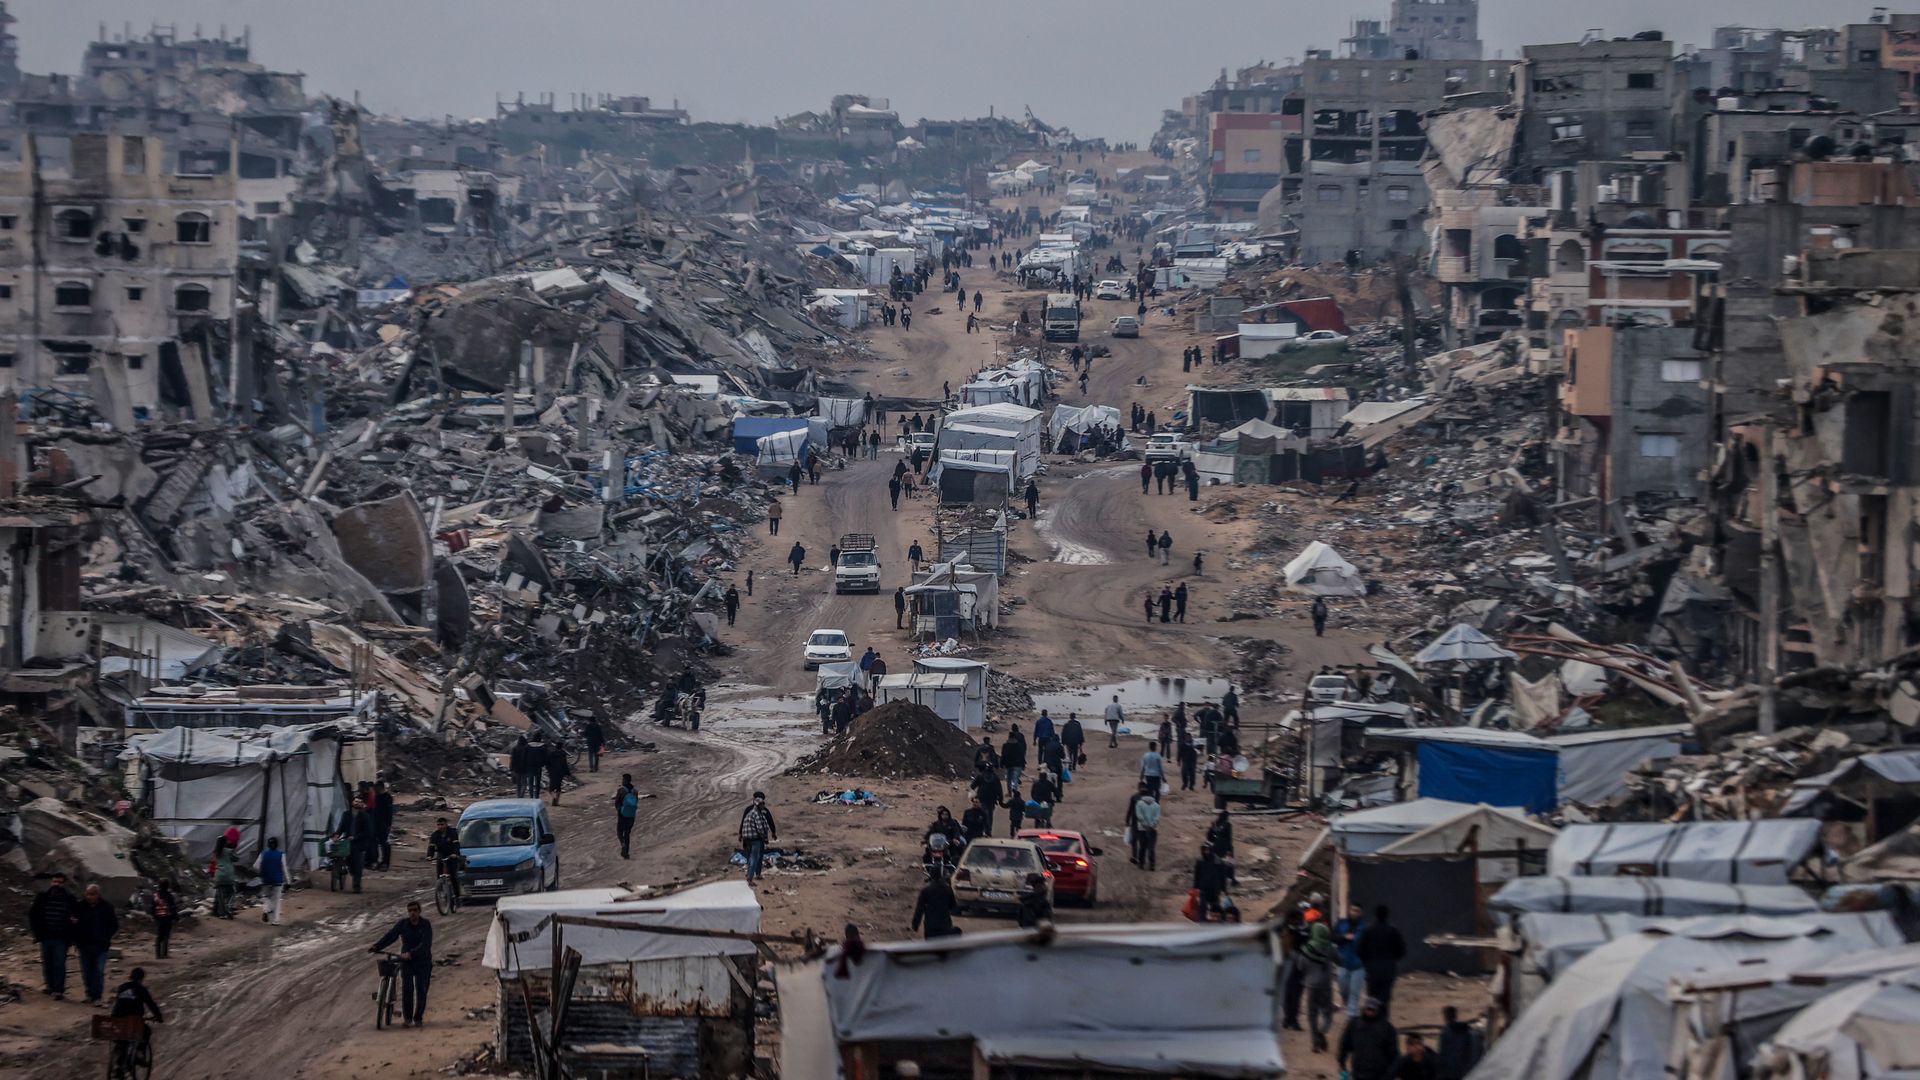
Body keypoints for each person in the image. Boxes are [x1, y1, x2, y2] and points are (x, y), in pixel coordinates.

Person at [370, 901, 435, 1027]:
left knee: (421, 990)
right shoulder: (403, 924)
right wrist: (377, 946)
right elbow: (391, 936)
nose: (412, 913)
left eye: (415, 910)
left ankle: (418, 1018)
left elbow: (426, 945)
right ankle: (408, 1019)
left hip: (423, 961)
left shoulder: (425, 924)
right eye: (410, 910)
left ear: (419, 911)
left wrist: (411, 953)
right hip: (406, 961)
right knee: (407, 989)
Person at [29, 871, 76, 998]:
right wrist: (37, 932)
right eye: (55, 881)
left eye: (60, 882)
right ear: (51, 882)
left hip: (61, 937)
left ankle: (59, 990)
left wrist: (72, 931)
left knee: (59, 964)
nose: (57, 884)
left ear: (64, 884)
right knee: (48, 963)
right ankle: (50, 987)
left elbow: (77, 915)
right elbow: (33, 914)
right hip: (46, 936)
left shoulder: (69, 898)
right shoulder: (43, 896)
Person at [1357, 905, 1408, 1016]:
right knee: (1385, 998)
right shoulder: (1393, 931)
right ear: (1387, 916)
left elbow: (1360, 950)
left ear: (1375, 915)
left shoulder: (1368, 931)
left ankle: (1372, 1021)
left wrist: (1367, 962)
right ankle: (1383, 1023)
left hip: (1372, 969)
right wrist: (1392, 960)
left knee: (1372, 997)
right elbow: (1402, 950)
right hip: (1388, 969)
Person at [73, 883, 117, 1005]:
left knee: (98, 971)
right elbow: (73, 923)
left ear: (98, 895)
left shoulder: (107, 907)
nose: (90, 897)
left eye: (92, 894)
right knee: (87, 971)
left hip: (100, 946)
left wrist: (105, 936)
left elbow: (114, 925)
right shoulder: (80, 906)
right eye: (88, 894)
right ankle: (89, 994)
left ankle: (97, 996)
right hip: (84, 945)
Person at [1338, 999, 1401, 1080]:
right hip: (1358, 1073)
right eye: (1368, 1009)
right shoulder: (1354, 1024)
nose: (1370, 1012)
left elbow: (1395, 1056)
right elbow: (1345, 1044)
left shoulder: (1387, 1029)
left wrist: (1388, 1076)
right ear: (1364, 1009)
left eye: (1373, 1010)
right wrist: (1341, 1062)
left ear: (1378, 1011)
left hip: (1379, 1075)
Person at [1303, 921, 1338, 1053]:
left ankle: (1315, 1044)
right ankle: (1322, 1031)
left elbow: (1301, 966)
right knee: (1327, 1013)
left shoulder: (1307, 948)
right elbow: (1340, 961)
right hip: (1325, 985)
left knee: (1312, 1015)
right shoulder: (1330, 948)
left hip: (1311, 985)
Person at [336, 796, 377, 893]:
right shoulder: (346, 815)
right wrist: (337, 835)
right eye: (355, 801)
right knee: (350, 862)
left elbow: (368, 831)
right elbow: (341, 827)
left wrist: (355, 837)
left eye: (359, 801)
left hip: (359, 843)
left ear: (362, 804)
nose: (357, 803)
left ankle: (357, 886)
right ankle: (353, 874)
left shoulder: (365, 816)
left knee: (358, 864)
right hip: (348, 842)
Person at [1334, 903, 1368, 1017]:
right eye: (1353, 910)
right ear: (1349, 910)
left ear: (1361, 913)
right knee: (1343, 989)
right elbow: (1332, 937)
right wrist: (1344, 937)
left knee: (1355, 993)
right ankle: (1349, 1007)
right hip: (1343, 963)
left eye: (1357, 910)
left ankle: (1351, 1017)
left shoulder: (1364, 927)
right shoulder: (1341, 923)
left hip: (1359, 966)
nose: (1354, 912)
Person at [109, 966, 162, 1034]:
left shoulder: (122, 987)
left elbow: (119, 1001)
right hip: (134, 1019)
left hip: (117, 1018)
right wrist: (158, 1016)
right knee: (147, 1032)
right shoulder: (141, 989)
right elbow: (151, 1004)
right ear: (142, 978)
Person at [739, 792, 777, 883]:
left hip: (747, 838)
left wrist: (740, 834)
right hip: (756, 839)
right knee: (757, 857)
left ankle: (750, 873)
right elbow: (764, 825)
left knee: (750, 856)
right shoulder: (760, 812)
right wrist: (770, 835)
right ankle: (754, 875)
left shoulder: (749, 810)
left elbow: (743, 822)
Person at [911, 871, 960, 939]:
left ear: (931, 876)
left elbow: (919, 909)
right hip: (944, 925)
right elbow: (953, 906)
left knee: (931, 947)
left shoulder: (926, 890)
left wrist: (915, 925)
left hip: (930, 926)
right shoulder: (947, 889)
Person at [1436, 1006, 1481, 1079]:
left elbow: (1442, 1054)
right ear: (1455, 1015)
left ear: (1446, 1016)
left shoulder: (1446, 1032)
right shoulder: (1466, 1030)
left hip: (1450, 1072)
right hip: (1464, 1070)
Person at [1192, 846, 1230, 921]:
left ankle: (1216, 925)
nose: (1206, 852)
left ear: (1211, 850)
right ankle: (1203, 925)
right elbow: (1197, 875)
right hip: (1204, 889)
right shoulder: (1200, 861)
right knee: (1202, 908)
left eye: (1208, 850)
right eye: (1205, 850)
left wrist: (1224, 889)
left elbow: (1222, 877)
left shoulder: (1218, 861)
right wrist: (1195, 887)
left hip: (1215, 889)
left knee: (1215, 909)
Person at [259, 836, 288, 925]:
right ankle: (276, 920)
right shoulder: (281, 854)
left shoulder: (263, 854)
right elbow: (284, 868)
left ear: (268, 845)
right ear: (277, 845)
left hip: (266, 880)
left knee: (266, 897)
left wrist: (261, 872)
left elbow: (256, 866)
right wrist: (288, 881)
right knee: (277, 899)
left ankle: (266, 909)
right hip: (278, 880)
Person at [1131, 787, 1161, 869]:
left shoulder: (1139, 803)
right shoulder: (1156, 805)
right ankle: (1152, 865)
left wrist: (1145, 825)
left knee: (1142, 847)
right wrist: (1151, 825)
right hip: (1153, 829)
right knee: (1151, 848)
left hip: (1142, 829)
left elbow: (1139, 816)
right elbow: (1157, 818)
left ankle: (1141, 864)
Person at [148, 881, 178, 960]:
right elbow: (173, 908)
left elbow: (152, 908)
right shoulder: (169, 896)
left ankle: (157, 955)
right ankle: (164, 954)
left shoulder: (155, 896)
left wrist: (153, 917)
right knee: (166, 936)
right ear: (167, 886)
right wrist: (176, 918)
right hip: (167, 918)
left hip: (159, 919)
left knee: (159, 937)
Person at [373, 779, 397, 869]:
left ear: (380, 788)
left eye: (376, 788)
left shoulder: (387, 797)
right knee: (375, 843)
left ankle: (385, 863)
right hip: (376, 823)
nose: (375, 790)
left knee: (385, 844)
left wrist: (388, 825)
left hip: (384, 824)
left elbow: (389, 813)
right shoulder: (376, 797)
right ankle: (378, 861)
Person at [213, 837, 239, 918]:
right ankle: (229, 905)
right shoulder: (229, 851)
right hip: (228, 875)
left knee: (221, 896)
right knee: (232, 892)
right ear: (225, 843)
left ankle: (222, 914)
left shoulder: (216, 852)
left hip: (219, 875)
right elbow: (236, 859)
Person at [545, 740, 570, 806]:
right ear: (561, 747)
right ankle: (557, 802)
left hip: (552, 771)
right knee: (558, 787)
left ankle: (553, 797)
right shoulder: (563, 754)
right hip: (560, 772)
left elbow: (547, 762)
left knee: (551, 788)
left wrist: (548, 769)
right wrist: (567, 773)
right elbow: (565, 764)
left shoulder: (551, 753)